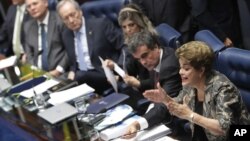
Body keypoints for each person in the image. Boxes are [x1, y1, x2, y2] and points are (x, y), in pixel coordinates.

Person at [142, 41, 250, 141]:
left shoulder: (223, 89)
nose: (180, 72)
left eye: (186, 69)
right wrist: (165, 99)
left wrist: (191, 115)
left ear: (201, 70)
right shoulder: (190, 84)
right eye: (180, 67)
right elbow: (179, 105)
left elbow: (223, 128)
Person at [121, 30, 183, 139]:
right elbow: (157, 82)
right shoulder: (157, 59)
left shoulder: (169, 66)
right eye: (139, 59)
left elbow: (165, 105)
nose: (143, 62)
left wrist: (138, 124)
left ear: (156, 47)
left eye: (144, 56)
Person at [56, 0, 124, 94]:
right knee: (57, 88)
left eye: (73, 14)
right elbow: (73, 61)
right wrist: (72, 70)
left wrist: (119, 69)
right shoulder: (66, 35)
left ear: (80, 11)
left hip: (105, 74)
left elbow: (124, 45)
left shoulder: (101, 24)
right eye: (66, 18)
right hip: (83, 78)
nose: (71, 20)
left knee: (80, 76)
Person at [24, 0, 69, 78]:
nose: (32, 8)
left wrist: (58, 70)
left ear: (46, 3)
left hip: (61, 73)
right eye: (29, 6)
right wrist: (35, 72)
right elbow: (29, 53)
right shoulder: (27, 26)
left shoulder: (60, 20)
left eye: (35, 3)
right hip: (38, 76)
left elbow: (70, 49)